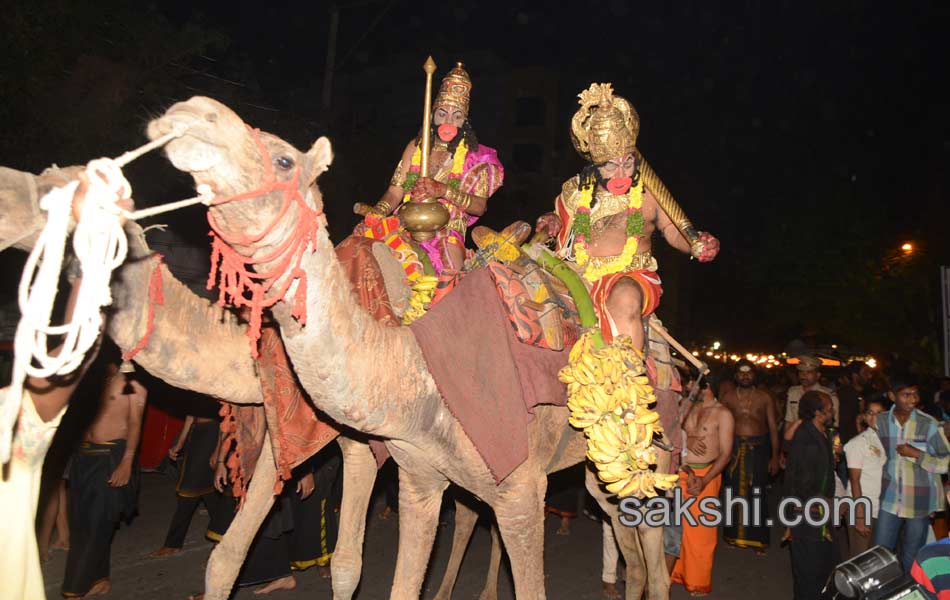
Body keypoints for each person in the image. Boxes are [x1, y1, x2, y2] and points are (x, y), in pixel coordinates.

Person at [534, 82, 718, 352]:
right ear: (595, 166)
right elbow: (559, 221)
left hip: (631, 276)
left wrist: (695, 244)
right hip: (576, 275)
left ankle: (624, 380)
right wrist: (551, 219)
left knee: (625, 296)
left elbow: (672, 229)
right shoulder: (575, 191)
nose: (621, 173)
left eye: (627, 163)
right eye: (610, 166)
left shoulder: (648, 193)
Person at [362, 62, 504, 275]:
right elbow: (395, 192)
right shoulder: (415, 146)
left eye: (456, 117)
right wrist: (378, 212)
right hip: (406, 223)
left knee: (451, 276)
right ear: (432, 116)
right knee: (364, 253)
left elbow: (479, 207)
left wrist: (442, 190)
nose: (448, 122)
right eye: (442, 114)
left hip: (447, 231)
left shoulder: (476, 157)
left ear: (465, 122)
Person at [62, 351, 147, 598]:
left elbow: (135, 423)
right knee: (81, 521)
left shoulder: (132, 384)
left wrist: (127, 462)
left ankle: (73, 589)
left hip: (110, 458)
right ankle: (99, 578)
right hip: (83, 458)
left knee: (96, 522)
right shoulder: (92, 382)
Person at [872, 376, 950, 572]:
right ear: (892, 396)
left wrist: (918, 455)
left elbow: (946, 463)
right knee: (880, 555)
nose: (913, 399)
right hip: (890, 499)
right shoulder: (880, 421)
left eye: (915, 394)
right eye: (906, 395)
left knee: (912, 555)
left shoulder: (929, 424)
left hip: (919, 501)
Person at [671, 375, 734, 596]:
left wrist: (705, 480)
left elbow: (726, 454)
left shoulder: (722, 413)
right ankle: (676, 573)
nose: (688, 386)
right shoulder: (684, 406)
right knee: (678, 527)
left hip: (707, 474)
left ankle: (698, 581)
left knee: (701, 530)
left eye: (691, 383)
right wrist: (688, 441)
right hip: (681, 471)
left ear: (706, 385)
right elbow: (671, 436)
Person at [149, 400, 223, 558]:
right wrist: (179, 444)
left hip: (213, 433)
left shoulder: (217, 382)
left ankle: (173, 543)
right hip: (196, 433)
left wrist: (219, 451)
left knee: (189, 490)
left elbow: (226, 420)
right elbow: (190, 416)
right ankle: (222, 534)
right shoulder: (195, 385)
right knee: (207, 489)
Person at [720, 361, 780, 554]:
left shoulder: (764, 397)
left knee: (757, 495)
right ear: (736, 376)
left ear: (754, 375)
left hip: (759, 450)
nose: (745, 376)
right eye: (741, 373)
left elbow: (772, 428)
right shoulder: (728, 397)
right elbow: (719, 425)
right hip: (735, 450)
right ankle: (732, 536)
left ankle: (759, 540)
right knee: (733, 493)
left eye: (749, 373)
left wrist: (775, 456)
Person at [784, 391, 836, 600]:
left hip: (816, 509)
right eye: (829, 408)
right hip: (806, 510)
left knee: (822, 563)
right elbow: (802, 480)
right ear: (818, 412)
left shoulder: (822, 432)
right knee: (809, 567)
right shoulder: (807, 439)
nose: (833, 411)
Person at [844, 397, 886, 557]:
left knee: (877, 560)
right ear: (864, 416)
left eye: (879, 413)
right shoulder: (858, 443)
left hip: (882, 509)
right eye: (870, 412)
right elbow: (854, 480)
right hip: (863, 507)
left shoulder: (888, 440)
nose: (874, 417)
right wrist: (859, 515)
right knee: (860, 558)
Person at [785, 355, 838, 430]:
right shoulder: (793, 392)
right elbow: (789, 421)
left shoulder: (828, 395)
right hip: (798, 437)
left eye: (809, 372)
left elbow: (834, 425)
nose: (803, 375)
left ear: (818, 375)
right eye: (801, 372)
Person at [837, 361, 873, 443]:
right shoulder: (844, 395)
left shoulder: (869, 394)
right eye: (865, 373)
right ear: (855, 376)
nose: (869, 376)